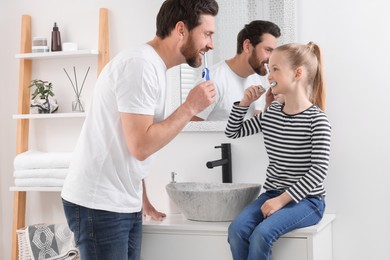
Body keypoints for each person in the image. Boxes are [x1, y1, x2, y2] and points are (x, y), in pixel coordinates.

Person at [61, 0, 219, 259]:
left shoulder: (154, 67)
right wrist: (190, 107)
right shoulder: (140, 66)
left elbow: (132, 140)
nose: (211, 44)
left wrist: (141, 197)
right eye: (207, 33)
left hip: (122, 201)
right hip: (99, 203)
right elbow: (141, 145)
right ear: (181, 29)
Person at [225, 41, 331, 260]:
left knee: (262, 234)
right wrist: (244, 104)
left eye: (275, 69)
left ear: (297, 73)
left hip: (308, 201)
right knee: (236, 230)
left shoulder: (317, 120)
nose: (268, 75)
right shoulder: (272, 114)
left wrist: (282, 200)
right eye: (268, 69)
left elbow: (318, 171)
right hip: (272, 193)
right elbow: (233, 132)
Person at [192, 20, 281, 121]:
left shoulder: (255, 78)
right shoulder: (212, 81)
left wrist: (269, 106)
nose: (272, 58)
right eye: (268, 50)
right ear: (247, 46)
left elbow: (253, 124)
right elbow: (192, 130)